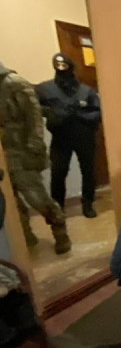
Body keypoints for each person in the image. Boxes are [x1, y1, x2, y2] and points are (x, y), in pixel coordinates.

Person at [0, 62, 71, 254]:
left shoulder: (14, 83)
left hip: (22, 150)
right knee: (12, 201)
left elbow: (34, 115)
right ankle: (26, 236)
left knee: (36, 197)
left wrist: (35, 145)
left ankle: (59, 230)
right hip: (4, 152)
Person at [37, 53, 101, 218]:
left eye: (64, 65)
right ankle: (58, 207)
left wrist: (79, 113)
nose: (61, 69)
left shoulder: (86, 91)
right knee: (58, 173)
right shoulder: (45, 89)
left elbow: (97, 113)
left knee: (88, 171)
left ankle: (88, 204)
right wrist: (53, 113)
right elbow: (34, 107)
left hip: (84, 136)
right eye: (57, 65)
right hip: (60, 137)